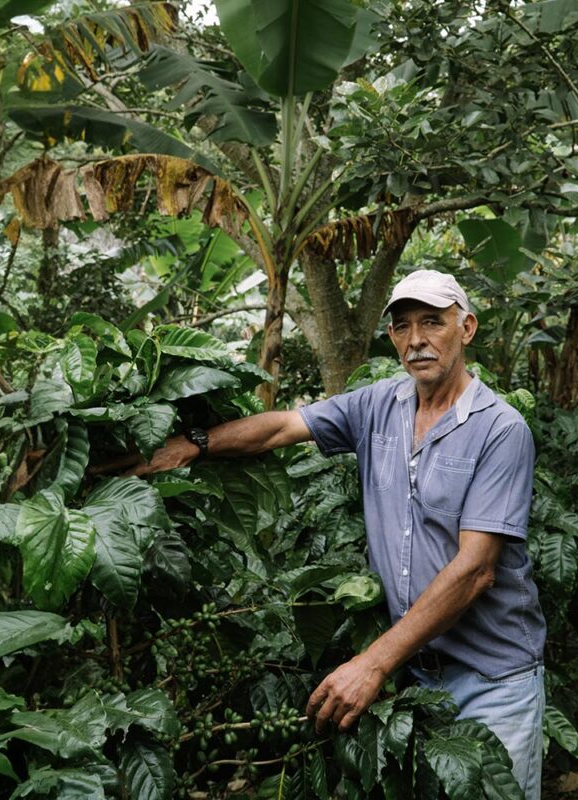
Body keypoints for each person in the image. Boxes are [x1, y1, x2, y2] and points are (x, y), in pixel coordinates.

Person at [119, 270, 545, 798]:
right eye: (403, 327)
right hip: (415, 677)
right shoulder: (377, 406)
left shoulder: (501, 430)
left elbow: (476, 570)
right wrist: (192, 443)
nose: (417, 340)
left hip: (491, 680)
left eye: (433, 323)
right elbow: (280, 427)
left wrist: (372, 664)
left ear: (467, 327)